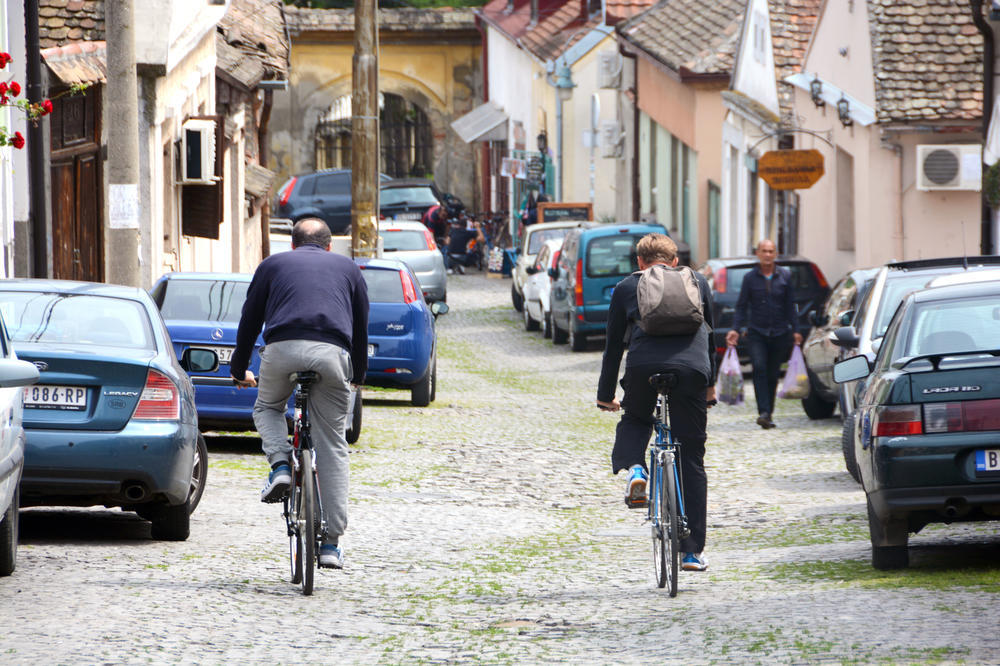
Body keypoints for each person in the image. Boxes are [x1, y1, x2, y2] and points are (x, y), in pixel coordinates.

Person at [230, 218, 369, 570]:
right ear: (328, 246)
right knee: (333, 443)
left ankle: (280, 466)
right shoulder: (348, 268)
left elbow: (250, 319)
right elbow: (361, 324)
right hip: (332, 354)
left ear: (292, 245)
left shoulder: (272, 265)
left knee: (268, 407)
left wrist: (238, 368)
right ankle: (331, 544)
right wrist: (359, 376)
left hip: (282, 350)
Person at [597, 233, 717, 572]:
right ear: (675, 260)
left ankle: (636, 468)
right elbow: (712, 338)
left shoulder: (625, 288)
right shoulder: (697, 280)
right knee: (691, 456)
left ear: (640, 262)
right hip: (692, 369)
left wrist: (605, 395)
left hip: (644, 367)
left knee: (635, 418)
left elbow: (612, 348)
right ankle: (692, 552)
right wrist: (709, 387)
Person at [725, 239, 802, 430]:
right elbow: (742, 306)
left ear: (775, 254)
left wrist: (796, 330)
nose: (767, 254)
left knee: (773, 373)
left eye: (771, 251)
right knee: (759, 367)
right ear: (758, 254)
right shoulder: (750, 278)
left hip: (780, 332)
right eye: (764, 251)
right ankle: (763, 412)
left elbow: (791, 305)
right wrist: (735, 328)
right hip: (756, 332)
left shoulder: (784, 275)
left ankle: (769, 413)